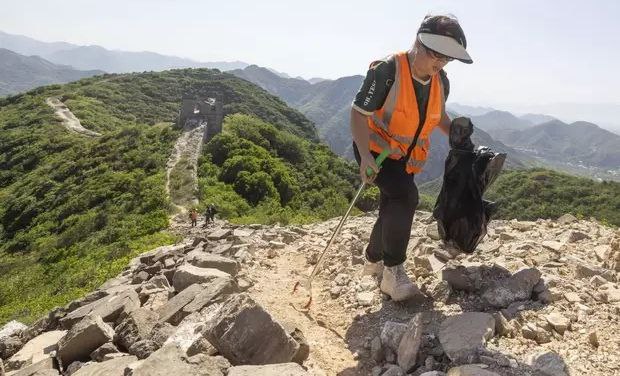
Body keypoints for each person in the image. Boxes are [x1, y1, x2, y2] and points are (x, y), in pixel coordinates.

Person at [349, 14, 473, 301]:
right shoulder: (387, 71)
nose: (440, 63)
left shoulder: (441, 81)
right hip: (375, 150)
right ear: (420, 42)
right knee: (405, 198)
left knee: (392, 204)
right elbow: (358, 113)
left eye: (447, 59)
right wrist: (365, 156)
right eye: (437, 55)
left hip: (405, 156)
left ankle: (372, 259)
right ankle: (393, 273)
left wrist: (457, 134)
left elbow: (438, 117)